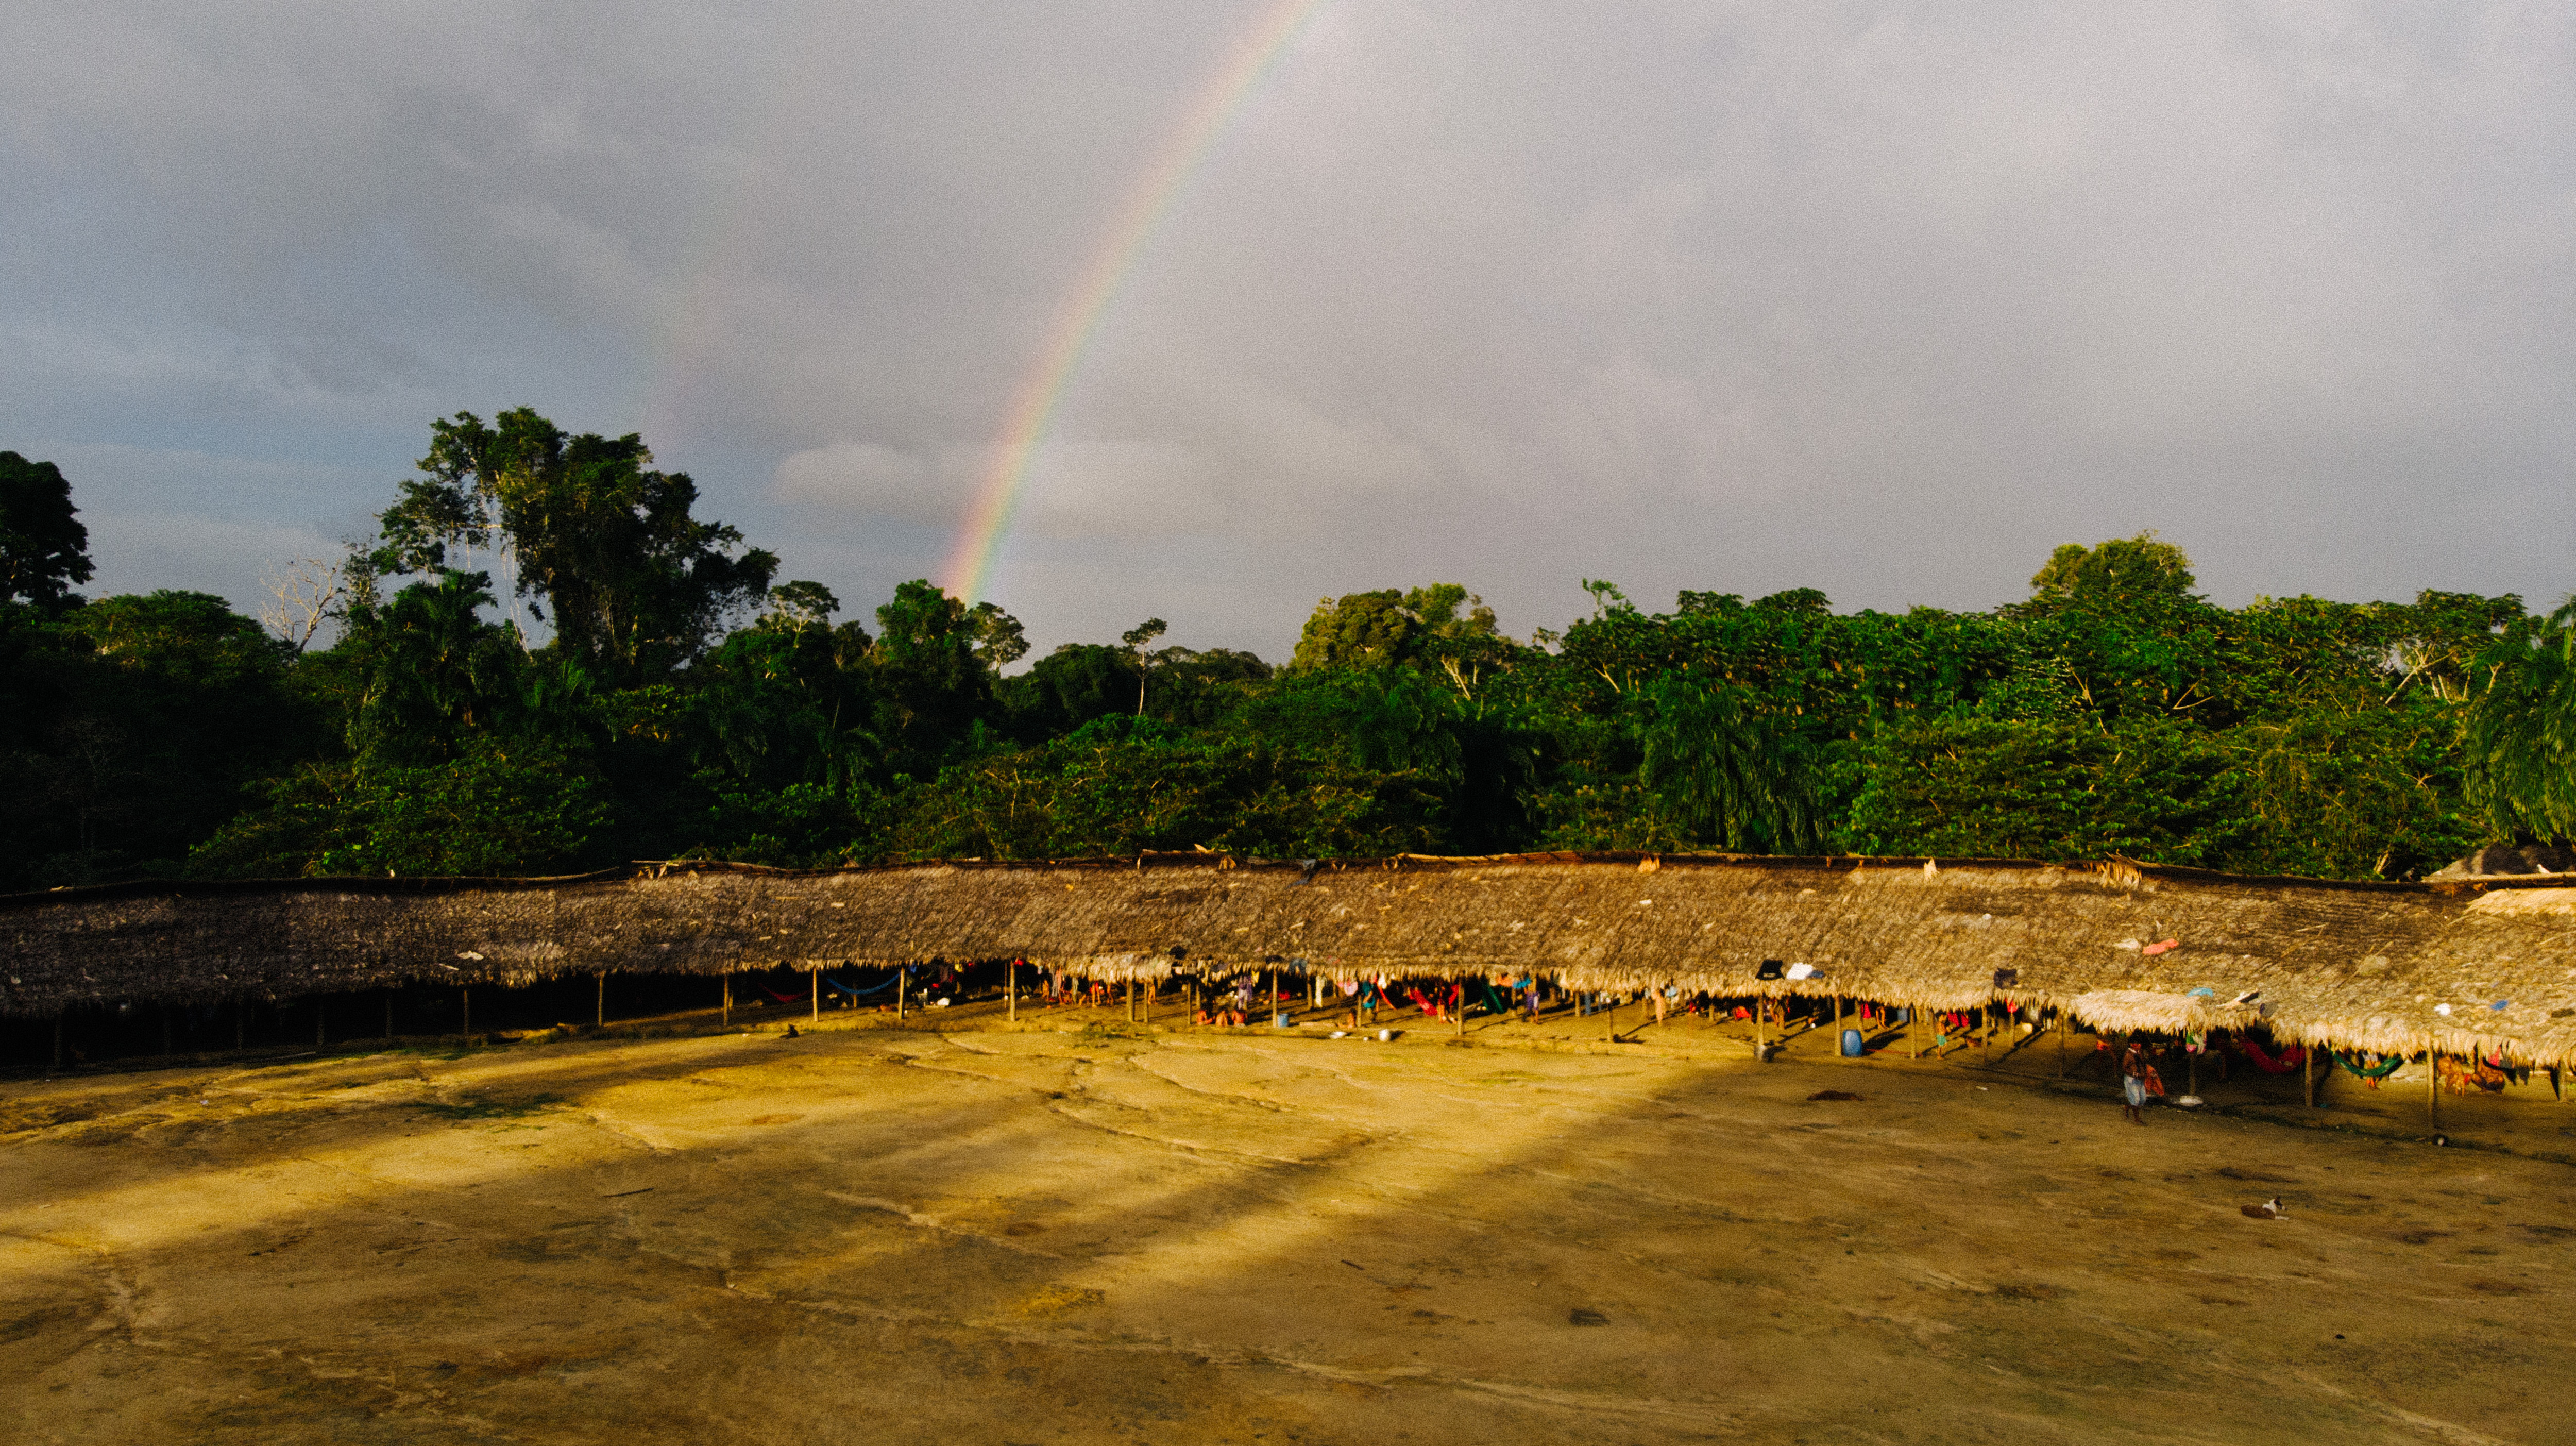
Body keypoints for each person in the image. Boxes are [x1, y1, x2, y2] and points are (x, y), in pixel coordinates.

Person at [2119, 1039, 2154, 1124]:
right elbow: (2124, 1068)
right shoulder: (2128, 1054)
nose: (2138, 1045)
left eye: (2139, 1044)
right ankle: (2137, 1119)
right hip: (2131, 1079)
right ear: (2131, 1044)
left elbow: (2143, 1065)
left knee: (2142, 1099)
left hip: (2140, 1079)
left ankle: (2127, 1107)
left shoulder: (2140, 1053)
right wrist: (2135, 1074)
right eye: (2136, 1044)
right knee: (2136, 1098)